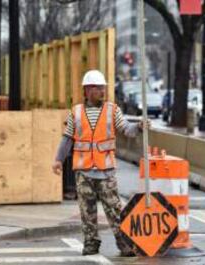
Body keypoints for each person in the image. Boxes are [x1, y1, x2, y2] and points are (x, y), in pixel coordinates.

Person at [52, 70, 150, 256]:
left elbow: (126, 129)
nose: (102, 91)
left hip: (106, 171)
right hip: (84, 171)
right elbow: (67, 138)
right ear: (88, 90)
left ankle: (124, 244)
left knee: (114, 210)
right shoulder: (77, 112)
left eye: (103, 88)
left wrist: (138, 127)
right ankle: (91, 244)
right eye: (98, 88)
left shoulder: (113, 110)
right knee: (87, 212)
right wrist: (58, 159)